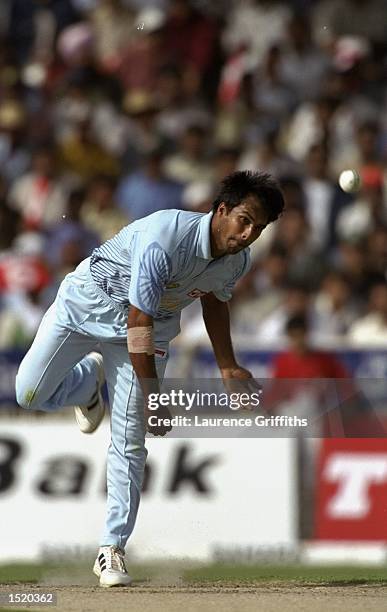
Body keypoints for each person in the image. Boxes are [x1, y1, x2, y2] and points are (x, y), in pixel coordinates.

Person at [15, 170, 284, 587]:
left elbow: (215, 300)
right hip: (85, 307)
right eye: (244, 220)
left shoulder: (238, 260)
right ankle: (87, 385)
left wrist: (227, 365)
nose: (249, 234)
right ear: (222, 209)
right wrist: (155, 398)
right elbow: (136, 320)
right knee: (28, 394)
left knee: (129, 439)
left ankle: (111, 549)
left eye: (259, 228)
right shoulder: (167, 236)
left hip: (145, 334)